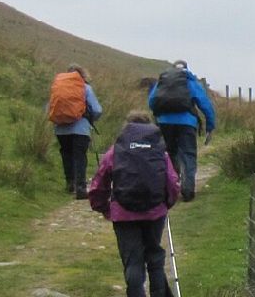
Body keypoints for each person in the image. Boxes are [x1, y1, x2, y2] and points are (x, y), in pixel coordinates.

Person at [89, 110, 181, 297]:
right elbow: (172, 181)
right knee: (155, 257)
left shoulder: (116, 150)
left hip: (123, 214)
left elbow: (99, 182)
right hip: (155, 212)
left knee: (132, 260)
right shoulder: (159, 151)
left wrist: (103, 207)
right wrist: (166, 204)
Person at [147, 60, 215, 202]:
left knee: (167, 154)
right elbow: (205, 104)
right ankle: (188, 189)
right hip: (187, 123)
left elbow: (152, 101)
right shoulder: (190, 81)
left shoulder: (163, 81)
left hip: (164, 123)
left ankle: (169, 189)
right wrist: (210, 126)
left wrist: (160, 115)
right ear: (186, 69)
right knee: (188, 155)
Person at [49, 64, 104, 199]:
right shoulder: (85, 87)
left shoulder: (58, 87)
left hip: (61, 128)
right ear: (82, 75)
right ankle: (80, 188)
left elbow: (50, 107)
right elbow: (97, 110)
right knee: (79, 156)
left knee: (66, 154)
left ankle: (70, 184)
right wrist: (90, 118)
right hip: (80, 128)